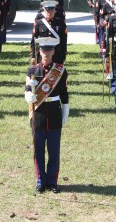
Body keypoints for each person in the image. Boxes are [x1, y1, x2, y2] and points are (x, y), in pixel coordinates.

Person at [25, 37, 69, 194]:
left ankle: (52, 181)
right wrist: (28, 95)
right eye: (43, 50)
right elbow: (27, 89)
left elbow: (64, 93)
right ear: (39, 51)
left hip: (55, 114)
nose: (46, 53)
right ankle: (40, 180)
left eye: (49, 50)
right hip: (38, 115)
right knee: (38, 150)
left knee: (54, 150)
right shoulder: (32, 71)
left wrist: (66, 109)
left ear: (53, 51)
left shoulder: (60, 70)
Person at [31, 0, 67, 65]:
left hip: (56, 54)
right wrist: (33, 56)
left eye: (51, 10)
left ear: (54, 11)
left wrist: (63, 54)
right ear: (44, 10)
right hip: (42, 53)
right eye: (47, 11)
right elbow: (34, 40)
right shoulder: (39, 23)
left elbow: (63, 40)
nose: (49, 12)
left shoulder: (60, 23)